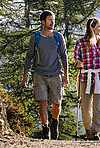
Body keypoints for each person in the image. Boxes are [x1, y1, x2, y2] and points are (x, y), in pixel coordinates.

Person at [23, 10, 69, 139]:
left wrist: (66, 76)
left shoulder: (58, 37)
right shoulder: (36, 38)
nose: (52, 22)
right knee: (42, 102)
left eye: (53, 19)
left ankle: (54, 121)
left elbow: (64, 56)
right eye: (50, 19)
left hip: (55, 74)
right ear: (43, 22)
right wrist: (25, 76)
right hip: (39, 73)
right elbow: (29, 57)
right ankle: (45, 128)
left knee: (57, 103)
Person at [73, 17, 100, 140]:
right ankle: (88, 130)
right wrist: (78, 62)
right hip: (85, 77)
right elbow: (76, 57)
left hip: (99, 76)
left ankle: (95, 131)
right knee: (85, 106)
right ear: (92, 27)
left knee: (98, 105)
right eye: (99, 26)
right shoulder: (80, 42)